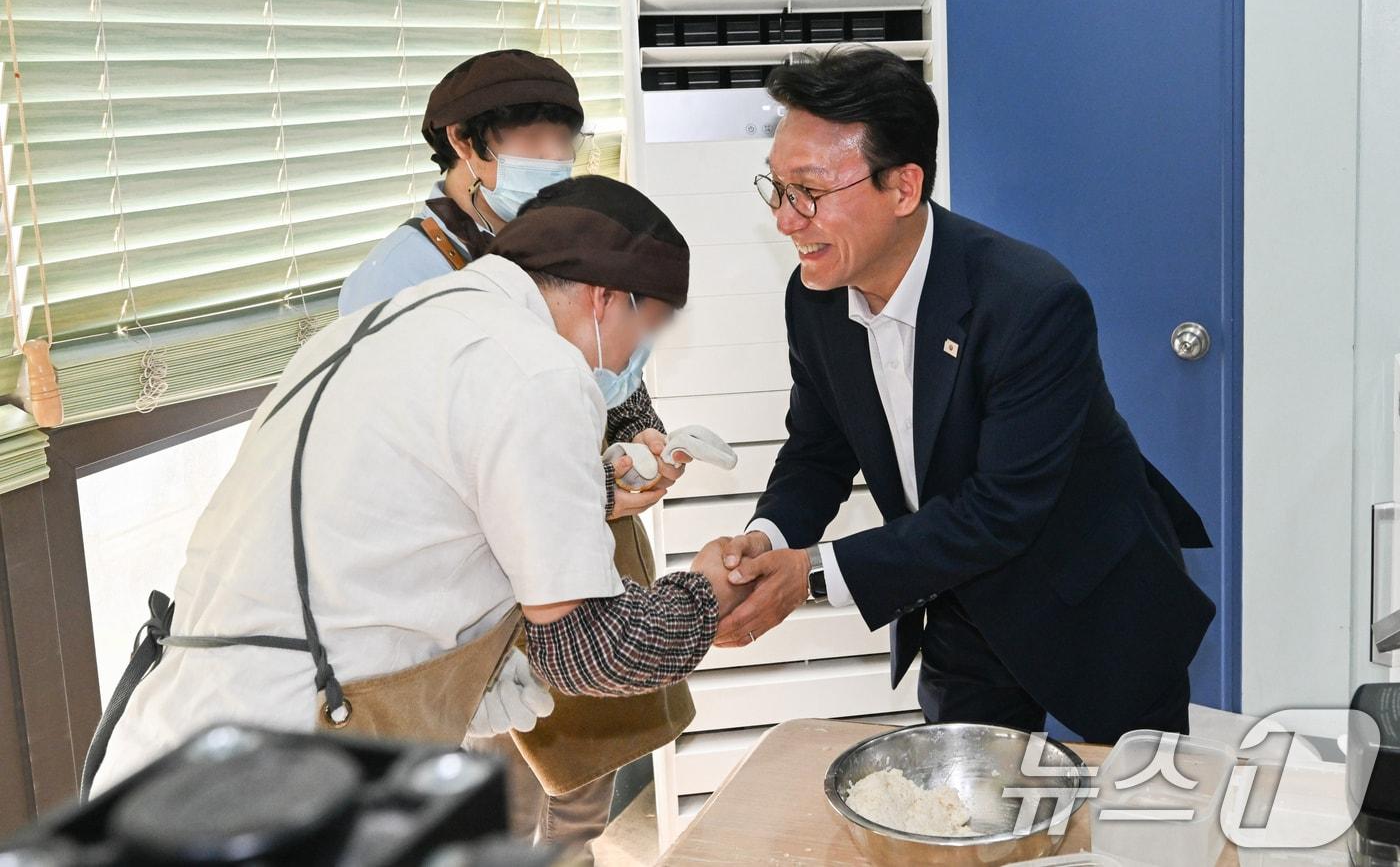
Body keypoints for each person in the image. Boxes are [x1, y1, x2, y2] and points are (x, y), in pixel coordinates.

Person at [85, 178, 745, 856]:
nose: (640, 356)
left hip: (172, 748)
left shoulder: (376, 327)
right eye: (650, 326)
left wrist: (591, 493)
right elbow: (588, 650)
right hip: (283, 769)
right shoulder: (539, 370)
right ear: (607, 297)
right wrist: (704, 598)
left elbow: (411, 512)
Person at [705, 46, 1216, 743]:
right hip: (957, 601)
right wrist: (766, 543)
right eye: (776, 189)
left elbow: (1000, 509)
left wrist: (814, 576)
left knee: (1142, 821)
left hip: (1094, 600)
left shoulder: (1032, 304)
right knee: (965, 825)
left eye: (810, 192)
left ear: (903, 187)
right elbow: (818, 450)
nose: (785, 220)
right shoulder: (816, 297)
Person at [339, 51, 688, 855]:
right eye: (531, 139)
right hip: (479, 577)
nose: (552, 160)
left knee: (585, 774)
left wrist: (642, 439)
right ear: (464, 143)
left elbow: (617, 374)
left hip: (582, 538)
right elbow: (421, 475)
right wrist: (589, 494)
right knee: (501, 772)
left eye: (563, 140)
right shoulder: (400, 279)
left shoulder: (571, 242)